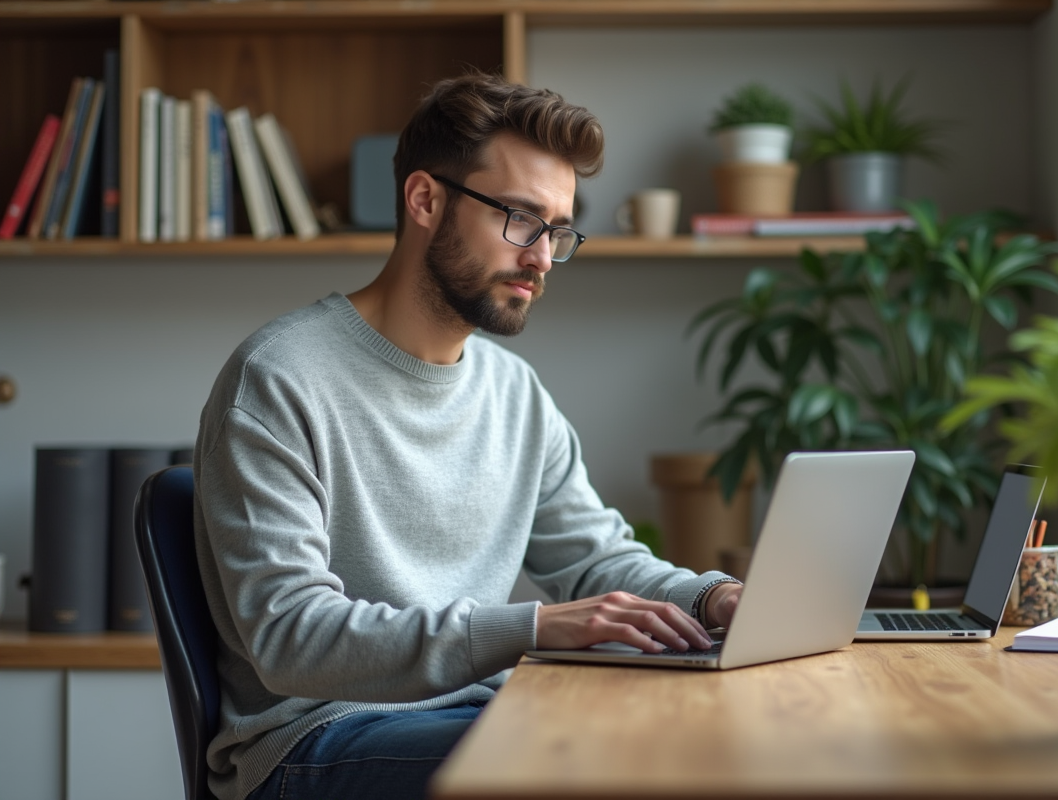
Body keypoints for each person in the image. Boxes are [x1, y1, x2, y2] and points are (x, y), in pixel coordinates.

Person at [193, 72, 743, 800]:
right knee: (600, 755)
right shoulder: (279, 377)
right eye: (520, 219)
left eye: (558, 230)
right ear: (425, 200)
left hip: (478, 712)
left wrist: (713, 599)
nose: (543, 258)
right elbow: (292, 638)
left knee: (693, 722)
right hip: (315, 741)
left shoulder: (515, 393)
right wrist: (536, 627)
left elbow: (595, 561)